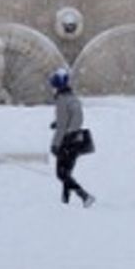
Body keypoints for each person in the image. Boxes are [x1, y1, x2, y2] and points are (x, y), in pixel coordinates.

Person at [47, 68, 94, 207]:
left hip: (67, 142)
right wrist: (58, 123)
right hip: (77, 140)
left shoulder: (61, 100)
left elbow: (62, 126)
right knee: (67, 173)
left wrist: (55, 145)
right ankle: (65, 201)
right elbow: (74, 118)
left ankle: (84, 196)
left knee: (61, 174)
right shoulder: (73, 98)